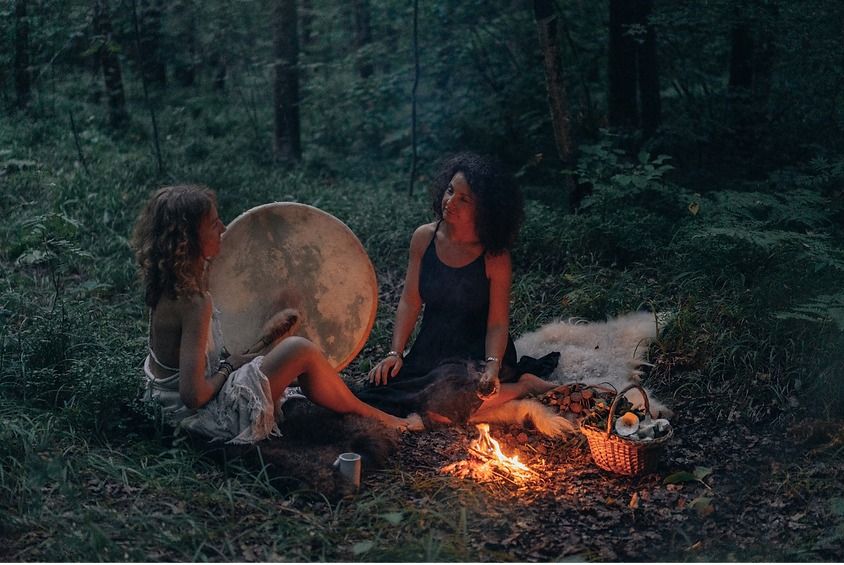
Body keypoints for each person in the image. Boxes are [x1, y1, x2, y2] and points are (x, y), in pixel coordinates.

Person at [132, 185, 422, 443]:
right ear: (188, 238)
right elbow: (193, 396)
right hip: (197, 418)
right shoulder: (194, 302)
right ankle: (381, 418)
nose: (222, 228)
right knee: (300, 349)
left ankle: (360, 408)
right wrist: (229, 366)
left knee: (289, 356)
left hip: (162, 403)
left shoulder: (171, 283)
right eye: (212, 223)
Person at [358, 152, 557, 421]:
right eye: (450, 191)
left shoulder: (494, 256)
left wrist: (492, 367)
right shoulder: (424, 238)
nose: (450, 201)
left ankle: (523, 385)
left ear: (484, 210)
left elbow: (497, 323)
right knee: (381, 391)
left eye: (464, 199)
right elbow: (410, 300)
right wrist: (395, 353)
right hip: (433, 346)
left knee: (443, 404)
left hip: (477, 353)